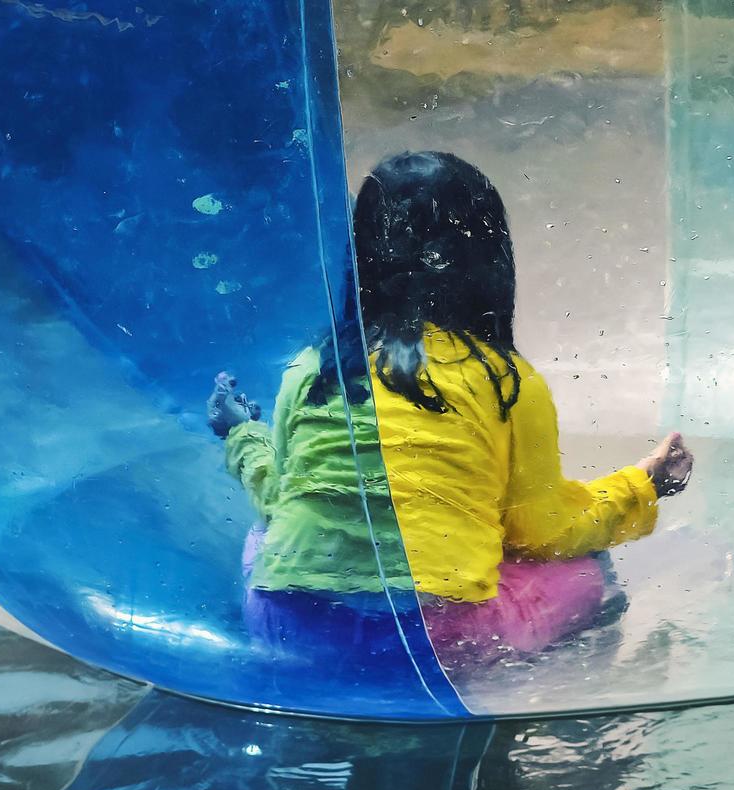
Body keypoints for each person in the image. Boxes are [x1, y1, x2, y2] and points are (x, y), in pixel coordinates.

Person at [208, 150, 692, 667]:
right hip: (438, 644)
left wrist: (242, 434)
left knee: (268, 533)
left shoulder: (313, 368)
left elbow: (282, 495)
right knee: (584, 562)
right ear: (487, 259)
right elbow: (545, 532)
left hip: (289, 627)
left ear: (360, 257)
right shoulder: (503, 380)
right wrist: (645, 483)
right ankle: (583, 671)